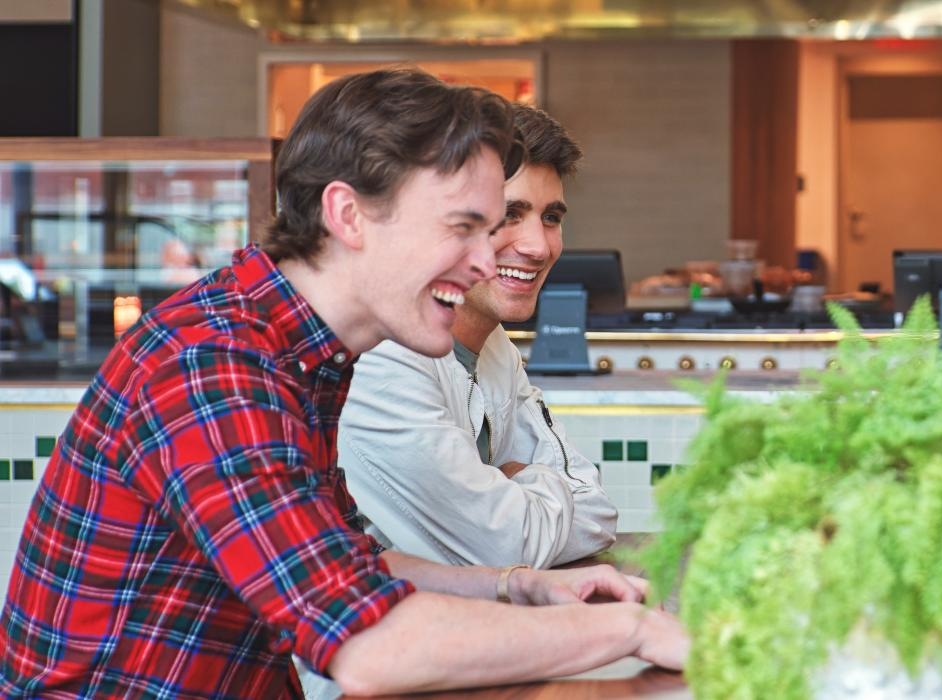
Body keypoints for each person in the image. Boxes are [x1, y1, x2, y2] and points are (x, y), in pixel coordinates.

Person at [0, 69, 685, 698]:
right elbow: (368, 645)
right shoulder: (214, 364)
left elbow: (352, 565)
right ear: (348, 215)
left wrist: (520, 586)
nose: (489, 262)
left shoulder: (308, 352)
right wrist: (632, 631)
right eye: (464, 228)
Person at [337, 103, 618, 569]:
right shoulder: (382, 358)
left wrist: (514, 489)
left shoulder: (493, 345)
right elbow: (498, 551)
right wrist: (529, 483)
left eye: (551, 217)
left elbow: (598, 511)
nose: (537, 246)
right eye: (509, 214)